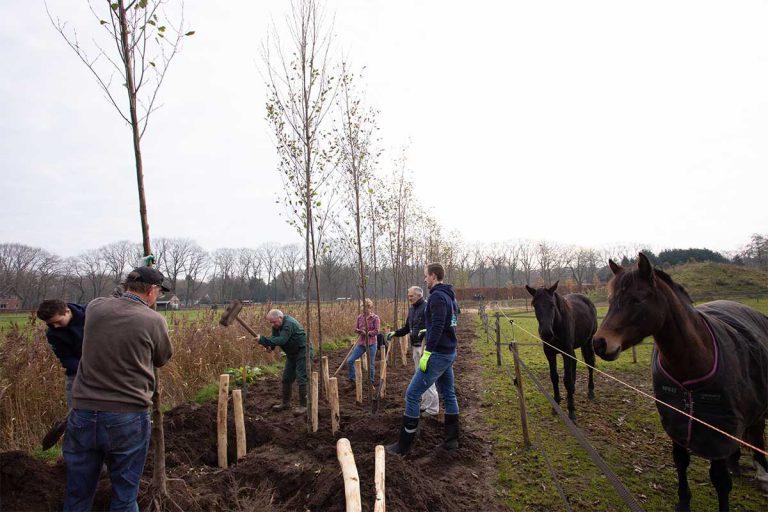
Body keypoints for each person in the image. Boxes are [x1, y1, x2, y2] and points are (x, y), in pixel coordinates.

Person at [64, 266, 173, 512]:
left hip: (83, 413)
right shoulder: (154, 320)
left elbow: (113, 299)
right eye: (159, 292)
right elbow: (161, 358)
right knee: (124, 497)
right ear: (152, 291)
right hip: (127, 416)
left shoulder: (95, 308)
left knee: (77, 495)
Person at [386, 262, 460, 455]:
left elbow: (437, 325)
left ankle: (403, 446)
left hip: (438, 354)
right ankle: (451, 440)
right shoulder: (450, 295)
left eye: (426, 275)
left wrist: (428, 352)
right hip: (449, 351)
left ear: (434, 276)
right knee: (449, 394)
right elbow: (452, 321)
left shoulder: (436, 297)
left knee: (411, 394)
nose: (424, 279)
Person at [387, 286, 440, 416]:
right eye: (408, 295)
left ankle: (433, 409)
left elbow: (435, 325)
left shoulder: (427, 307)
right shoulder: (412, 309)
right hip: (415, 346)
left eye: (411, 296)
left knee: (427, 377)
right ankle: (425, 403)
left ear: (419, 295)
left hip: (425, 347)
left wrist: (427, 332)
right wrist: (395, 333)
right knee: (421, 378)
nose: (409, 298)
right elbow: (407, 328)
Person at [255, 309, 312, 415]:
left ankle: (304, 406)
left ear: (280, 318)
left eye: (274, 322)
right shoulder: (276, 326)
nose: (272, 324)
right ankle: (286, 403)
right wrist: (270, 347)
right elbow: (275, 338)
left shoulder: (289, 323)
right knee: (286, 378)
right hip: (292, 353)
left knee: (301, 376)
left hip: (303, 350)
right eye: (271, 322)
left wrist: (263, 339)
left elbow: (282, 340)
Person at [36, 299, 87, 409]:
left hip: (106, 369)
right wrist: (87, 370)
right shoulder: (53, 334)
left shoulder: (92, 313)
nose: (56, 326)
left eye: (58, 321)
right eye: (50, 324)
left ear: (67, 311)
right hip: (77, 373)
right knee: (74, 413)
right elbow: (67, 359)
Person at [346, 298, 380, 386]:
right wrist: (358, 330)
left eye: (367, 307)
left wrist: (368, 333)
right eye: (363, 307)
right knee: (350, 361)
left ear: (370, 307)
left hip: (372, 344)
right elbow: (356, 328)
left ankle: (371, 381)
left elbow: (376, 331)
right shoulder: (360, 317)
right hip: (361, 343)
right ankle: (353, 380)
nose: (365, 309)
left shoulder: (375, 318)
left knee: (371, 364)